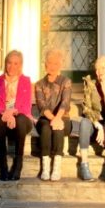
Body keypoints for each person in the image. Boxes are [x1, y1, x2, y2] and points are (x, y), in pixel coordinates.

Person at [0, 50, 34, 181]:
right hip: (3, 120)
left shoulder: (26, 81)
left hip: (21, 121)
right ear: (5, 64)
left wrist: (11, 112)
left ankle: (18, 165)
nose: (12, 66)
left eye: (16, 63)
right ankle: (3, 166)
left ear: (20, 66)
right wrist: (5, 114)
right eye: (9, 63)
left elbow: (25, 107)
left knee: (20, 119)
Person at [34, 48, 71, 181]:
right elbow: (42, 106)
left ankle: (56, 167)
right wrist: (53, 119)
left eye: (56, 63)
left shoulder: (66, 81)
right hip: (45, 118)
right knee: (45, 128)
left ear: (60, 65)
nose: (52, 66)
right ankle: (45, 167)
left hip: (63, 118)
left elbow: (65, 102)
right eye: (50, 63)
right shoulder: (39, 84)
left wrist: (57, 119)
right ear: (45, 65)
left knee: (59, 128)